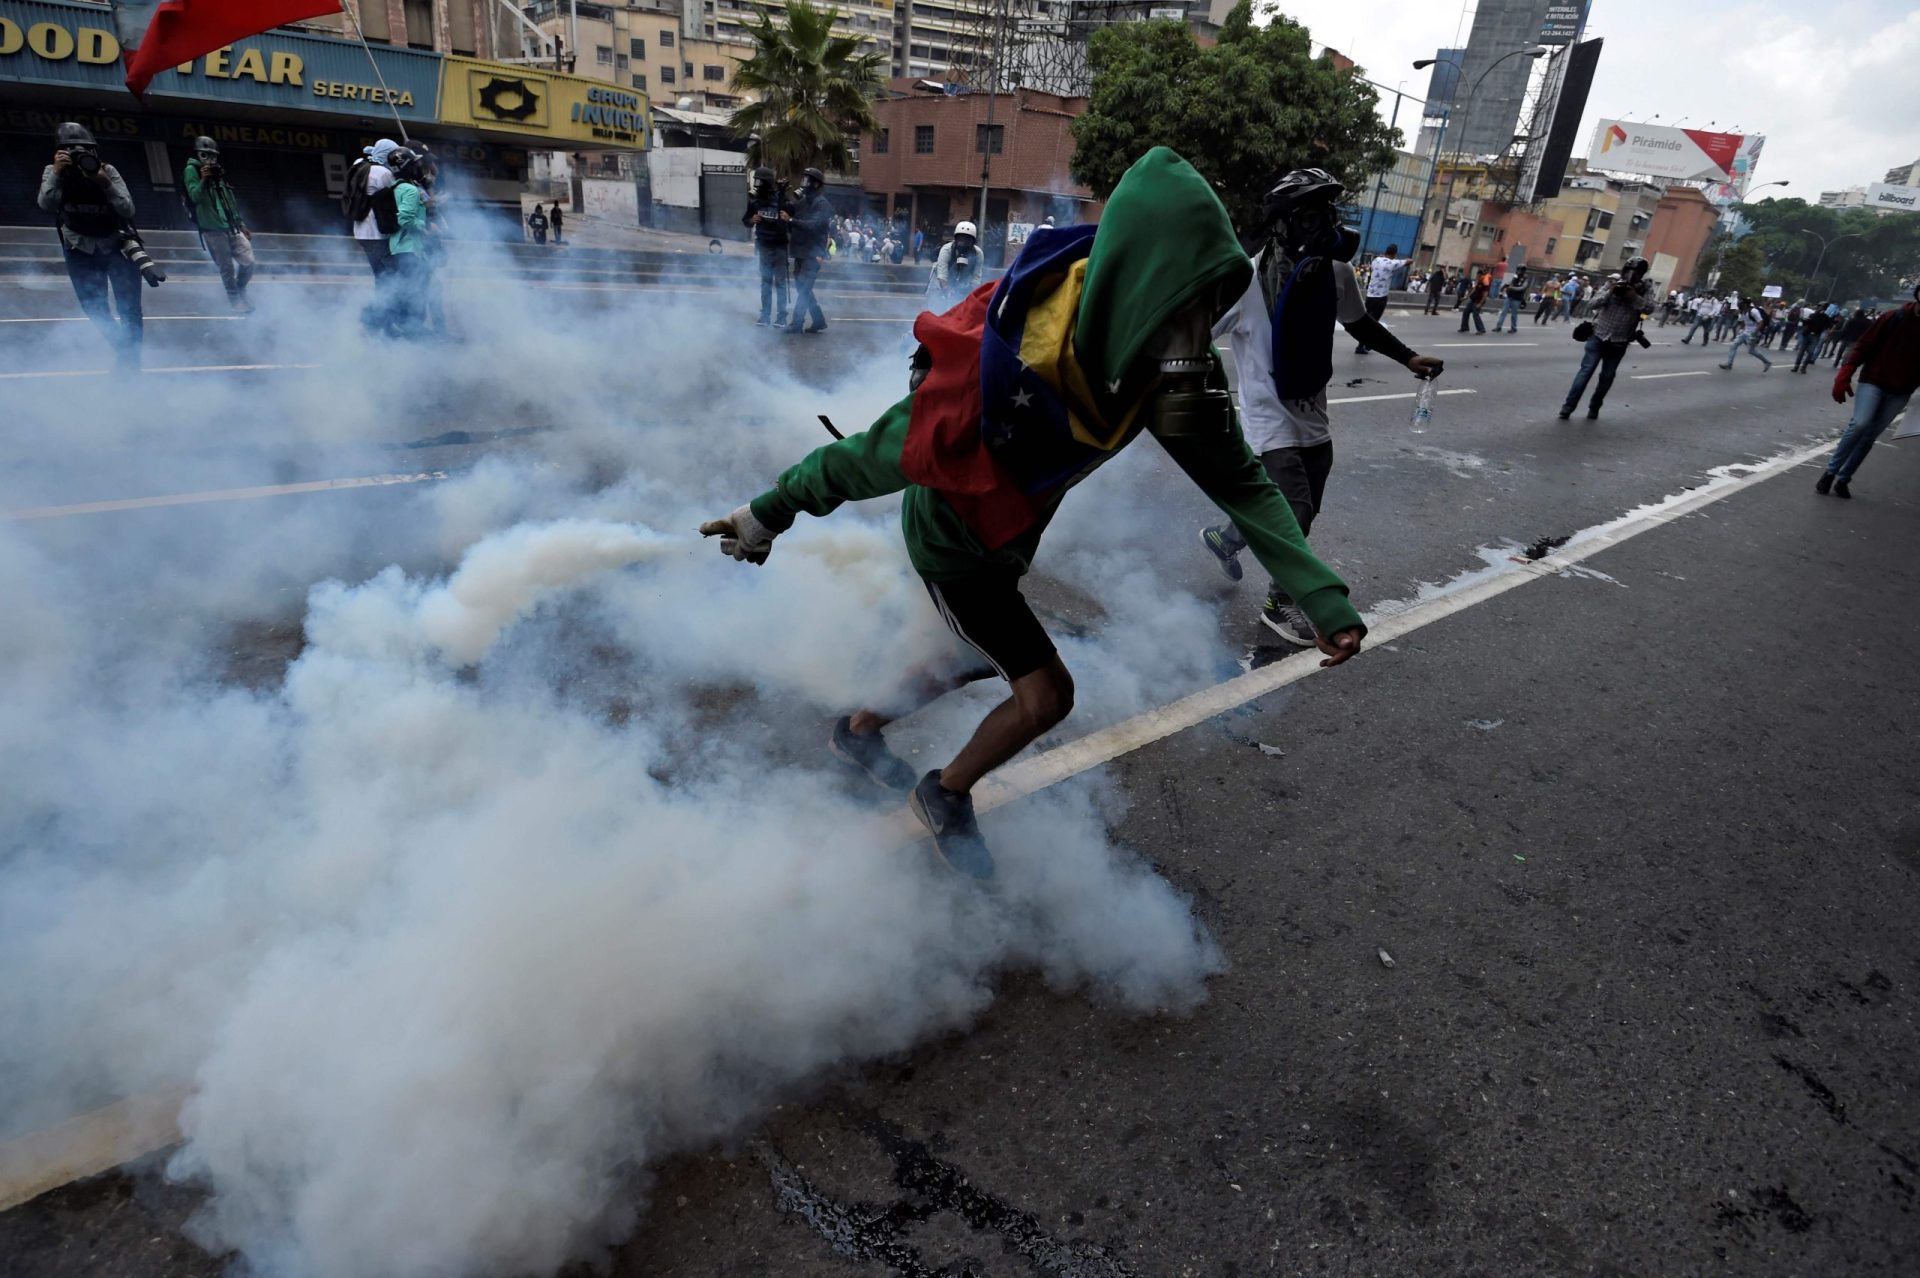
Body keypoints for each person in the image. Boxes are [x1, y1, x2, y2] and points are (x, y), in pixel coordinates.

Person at [698, 148, 1367, 873]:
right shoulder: (1012, 362)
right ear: (1140, 287)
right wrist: (765, 515)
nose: (1199, 336)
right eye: (1187, 305)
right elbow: (869, 454)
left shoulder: (1173, 373)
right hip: (953, 545)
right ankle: (944, 794)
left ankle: (857, 733)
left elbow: (1243, 484)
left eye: (1211, 307)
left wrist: (1322, 600)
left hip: (1005, 541)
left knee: (966, 659)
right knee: (1047, 695)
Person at [1198, 168, 1442, 643]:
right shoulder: (1244, 280)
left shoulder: (1335, 271)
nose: (1322, 225)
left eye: (1326, 214)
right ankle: (1280, 602)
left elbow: (1360, 324)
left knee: (1297, 512)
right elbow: (1195, 336)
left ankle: (1225, 538)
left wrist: (1408, 357)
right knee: (1294, 512)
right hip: (1269, 423)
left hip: (1314, 420)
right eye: (1310, 215)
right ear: (1284, 223)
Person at [38, 122, 147, 369]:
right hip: (79, 248)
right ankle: (124, 351)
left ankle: (131, 364)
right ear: (58, 152)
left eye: (84, 149)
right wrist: (57, 172)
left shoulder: (107, 171)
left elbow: (128, 208)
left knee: (130, 309)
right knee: (94, 308)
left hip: (117, 244)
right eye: (69, 150)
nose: (78, 154)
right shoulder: (52, 171)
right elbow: (46, 204)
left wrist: (104, 182)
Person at [1817, 285, 1917, 498]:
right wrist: (1846, 372)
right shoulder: (1894, 317)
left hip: (1901, 390)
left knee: (1870, 436)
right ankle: (1829, 473)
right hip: (1874, 380)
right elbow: (1864, 345)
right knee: (1860, 424)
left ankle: (1844, 478)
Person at [1558, 257, 1652, 421]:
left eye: (1635, 272)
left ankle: (1595, 407)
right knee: (1585, 372)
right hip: (1598, 335)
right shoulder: (1611, 284)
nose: (1631, 275)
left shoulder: (1644, 290)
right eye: (1629, 271)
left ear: (1641, 274)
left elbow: (1649, 308)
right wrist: (1611, 292)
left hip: (1620, 341)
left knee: (1607, 377)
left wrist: (1633, 297)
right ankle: (1568, 406)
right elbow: (1592, 304)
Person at [182, 137, 254, 314]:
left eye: (213, 156)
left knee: (249, 262)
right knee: (226, 267)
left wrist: (240, 222)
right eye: (206, 155)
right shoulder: (191, 170)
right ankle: (234, 299)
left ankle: (240, 288)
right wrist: (204, 179)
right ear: (198, 154)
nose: (210, 160)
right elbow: (195, 197)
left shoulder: (218, 173)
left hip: (230, 226)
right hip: (212, 228)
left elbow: (228, 199)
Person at [382, 147, 431, 336]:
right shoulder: (410, 190)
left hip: (398, 247)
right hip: (410, 248)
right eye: (415, 163)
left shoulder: (397, 187)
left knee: (405, 291)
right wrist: (423, 226)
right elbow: (405, 219)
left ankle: (404, 330)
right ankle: (413, 332)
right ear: (406, 166)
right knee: (416, 292)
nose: (418, 166)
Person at [782, 167, 832, 334]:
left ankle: (797, 323)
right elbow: (789, 208)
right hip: (800, 252)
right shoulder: (803, 201)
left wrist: (791, 220)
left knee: (803, 289)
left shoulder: (822, 205)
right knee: (802, 288)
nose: (805, 183)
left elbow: (813, 226)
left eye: (808, 180)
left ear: (816, 184)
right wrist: (780, 194)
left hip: (813, 254)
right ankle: (818, 320)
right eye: (804, 179)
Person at [742, 166, 792, 329]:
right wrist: (752, 220)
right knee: (765, 282)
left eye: (760, 181)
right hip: (764, 246)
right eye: (755, 181)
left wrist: (784, 197)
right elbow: (745, 220)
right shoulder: (755, 201)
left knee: (780, 283)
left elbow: (791, 214)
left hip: (779, 247)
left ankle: (782, 317)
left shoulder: (780, 199)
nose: (757, 185)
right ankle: (765, 315)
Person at [346, 139, 397, 282]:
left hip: (361, 229)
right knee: (387, 274)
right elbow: (395, 194)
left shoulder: (362, 168)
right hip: (376, 231)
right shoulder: (383, 172)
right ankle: (384, 304)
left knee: (379, 272)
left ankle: (382, 302)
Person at [1355, 243, 1405, 354]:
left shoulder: (1376, 260)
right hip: (1380, 298)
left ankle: (1363, 344)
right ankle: (1364, 345)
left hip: (1370, 296)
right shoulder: (1392, 263)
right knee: (1373, 324)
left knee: (1367, 321)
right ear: (1394, 254)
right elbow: (1406, 262)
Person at [926, 219, 982, 313]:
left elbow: (976, 278)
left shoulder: (978, 253)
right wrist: (947, 290)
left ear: (973, 241)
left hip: (962, 283)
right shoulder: (946, 250)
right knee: (936, 309)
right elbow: (942, 276)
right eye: (960, 239)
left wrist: (971, 293)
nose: (963, 243)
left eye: (967, 239)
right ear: (955, 239)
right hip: (939, 282)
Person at [1719, 297, 1773, 372]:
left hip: (1752, 334)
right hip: (1745, 333)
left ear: (1746, 304)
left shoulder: (1754, 311)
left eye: (1742, 303)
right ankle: (1729, 364)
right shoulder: (1743, 311)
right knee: (1733, 345)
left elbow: (1761, 322)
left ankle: (1767, 362)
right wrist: (1741, 329)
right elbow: (1743, 321)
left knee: (1751, 351)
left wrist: (1755, 334)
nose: (1740, 304)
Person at [1792, 304, 1833, 372]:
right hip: (1807, 334)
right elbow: (1806, 322)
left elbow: (1829, 327)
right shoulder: (1813, 315)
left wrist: (1827, 333)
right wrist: (1802, 319)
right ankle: (1797, 366)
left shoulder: (1825, 317)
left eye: (1821, 307)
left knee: (1810, 352)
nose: (1820, 309)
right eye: (1819, 307)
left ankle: (1803, 367)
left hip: (1815, 336)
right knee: (1802, 351)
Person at [1492, 268, 1527, 333]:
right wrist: (1504, 286)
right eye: (1518, 269)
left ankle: (1513, 328)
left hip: (1517, 298)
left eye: (1520, 270)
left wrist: (1512, 288)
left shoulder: (1525, 279)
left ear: (1523, 270)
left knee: (1514, 314)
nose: (1518, 271)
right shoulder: (1515, 276)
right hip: (1509, 296)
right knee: (1503, 312)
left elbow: (1523, 288)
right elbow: (1511, 282)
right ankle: (1498, 327)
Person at [1458, 269, 1488, 334]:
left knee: (1475, 315)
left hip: (1478, 301)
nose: (1476, 276)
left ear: (1479, 275)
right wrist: (1466, 297)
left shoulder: (1484, 282)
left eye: (1477, 275)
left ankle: (1481, 329)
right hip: (1473, 300)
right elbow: (1473, 290)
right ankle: (1465, 327)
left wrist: (1480, 303)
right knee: (1466, 312)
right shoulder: (1478, 282)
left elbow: (1485, 294)